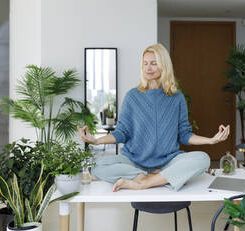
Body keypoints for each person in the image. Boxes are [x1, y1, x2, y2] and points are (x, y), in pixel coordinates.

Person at [78, 43, 230, 192]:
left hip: (167, 162)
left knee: (203, 159)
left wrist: (211, 140)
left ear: (164, 66)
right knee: (97, 165)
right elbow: (121, 133)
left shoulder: (176, 98)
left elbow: (184, 134)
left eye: (153, 63)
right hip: (133, 163)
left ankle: (144, 182)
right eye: (145, 64)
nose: (148, 68)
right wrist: (96, 140)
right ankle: (150, 178)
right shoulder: (132, 96)